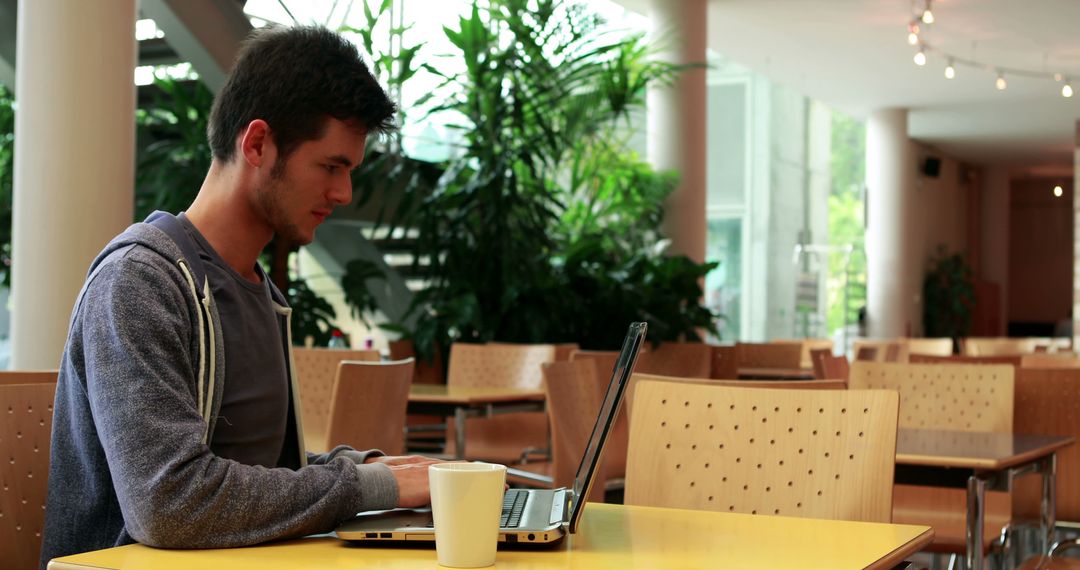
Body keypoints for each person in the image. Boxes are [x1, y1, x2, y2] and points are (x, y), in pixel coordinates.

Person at [39, 25, 441, 566]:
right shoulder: (139, 282)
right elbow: (171, 502)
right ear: (256, 144)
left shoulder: (259, 292)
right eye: (331, 166)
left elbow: (251, 474)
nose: (343, 193)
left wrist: (377, 471)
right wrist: (363, 486)